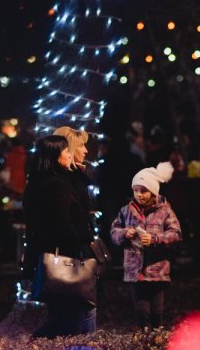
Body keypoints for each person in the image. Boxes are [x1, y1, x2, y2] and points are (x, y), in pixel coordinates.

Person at [23, 134, 96, 337]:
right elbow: (64, 224)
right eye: (66, 151)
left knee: (64, 315)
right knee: (71, 317)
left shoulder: (37, 182)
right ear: (55, 155)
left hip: (47, 256)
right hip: (65, 257)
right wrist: (83, 236)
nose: (70, 154)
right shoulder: (56, 185)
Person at [110, 162, 181, 328]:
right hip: (135, 270)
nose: (139, 194)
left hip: (157, 269)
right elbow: (114, 231)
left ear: (153, 191)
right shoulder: (126, 211)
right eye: (136, 190)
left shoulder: (165, 210)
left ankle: (156, 343)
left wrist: (155, 239)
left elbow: (176, 233)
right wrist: (124, 233)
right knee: (141, 311)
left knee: (156, 312)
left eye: (143, 190)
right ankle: (144, 344)